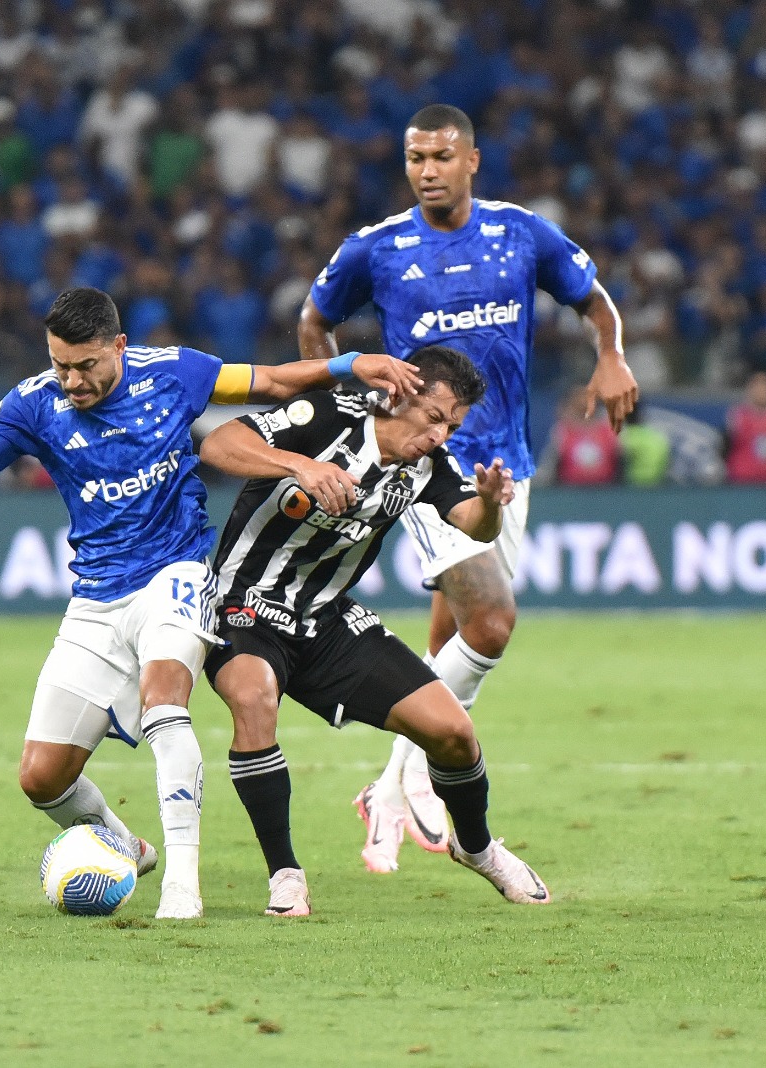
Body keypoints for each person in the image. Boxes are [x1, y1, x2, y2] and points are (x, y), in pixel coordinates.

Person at [0, 286, 419, 919]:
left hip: (177, 571)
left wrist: (349, 364)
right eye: (61, 365)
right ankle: (126, 845)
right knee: (41, 777)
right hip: (96, 598)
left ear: (118, 348)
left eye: (86, 366)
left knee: (165, 702)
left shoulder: (174, 372)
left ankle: (182, 889)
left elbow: (271, 381)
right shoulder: (32, 402)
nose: (73, 381)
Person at [299, 103, 638, 871]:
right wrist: (342, 400)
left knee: (455, 638)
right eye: (416, 157)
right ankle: (402, 780)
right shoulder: (377, 248)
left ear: (471, 162)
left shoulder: (520, 232)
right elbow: (314, 322)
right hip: (425, 466)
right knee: (491, 624)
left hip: (505, 467)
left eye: (441, 157)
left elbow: (595, 299)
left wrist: (611, 355)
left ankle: (389, 786)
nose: (426, 171)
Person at [200, 345, 550, 914]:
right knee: (253, 694)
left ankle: (477, 848)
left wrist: (490, 503)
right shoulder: (326, 418)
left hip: (330, 620)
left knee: (454, 734)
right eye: (434, 418)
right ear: (396, 393)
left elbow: (474, 525)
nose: (440, 436)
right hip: (244, 607)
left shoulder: (428, 467)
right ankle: (285, 873)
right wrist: (299, 464)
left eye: (452, 426)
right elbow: (218, 443)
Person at [725, 369, 766, 484]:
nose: (761, 390)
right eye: (757, 385)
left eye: (765, 385)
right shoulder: (738, 417)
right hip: (742, 483)